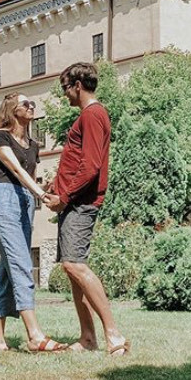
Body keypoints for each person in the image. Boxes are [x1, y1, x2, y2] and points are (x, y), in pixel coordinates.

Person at [43, 63, 130, 355]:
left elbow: (91, 166)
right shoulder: (87, 116)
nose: (64, 95)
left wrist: (64, 197)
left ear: (78, 85)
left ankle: (114, 335)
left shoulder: (93, 114)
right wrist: (55, 187)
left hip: (81, 202)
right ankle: (88, 338)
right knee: (71, 268)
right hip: (73, 200)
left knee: (74, 265)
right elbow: (76, 162)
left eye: (65, 89)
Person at [0, 92, 64, 353]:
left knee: (7, 272)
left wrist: (44, 190)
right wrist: (40, 194)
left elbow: (31, 174)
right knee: (21, 264)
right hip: (4, 200)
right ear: (11, 109)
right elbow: (17, 170)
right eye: (25, 104)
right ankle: (34, 335)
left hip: (25, 203)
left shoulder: (33, 144)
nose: (31, 107)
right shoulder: (0, 137)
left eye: (33, 104)